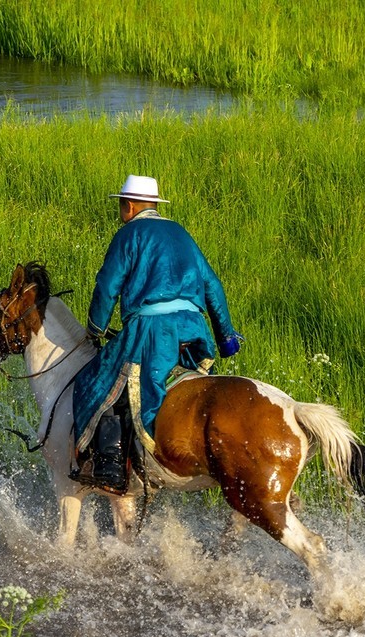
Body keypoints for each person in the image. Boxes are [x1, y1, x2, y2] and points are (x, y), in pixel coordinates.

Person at [70, 175, 243, 494]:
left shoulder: (128, 234)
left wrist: (95, 328)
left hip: (152, 330)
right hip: (193, 330)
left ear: (130, 205)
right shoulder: (180, 233)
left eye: (122, 204)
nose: (121, 210)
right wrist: (226, 338)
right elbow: (212, 286)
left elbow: (107, 287)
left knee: (101, 379)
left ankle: (109, 463)